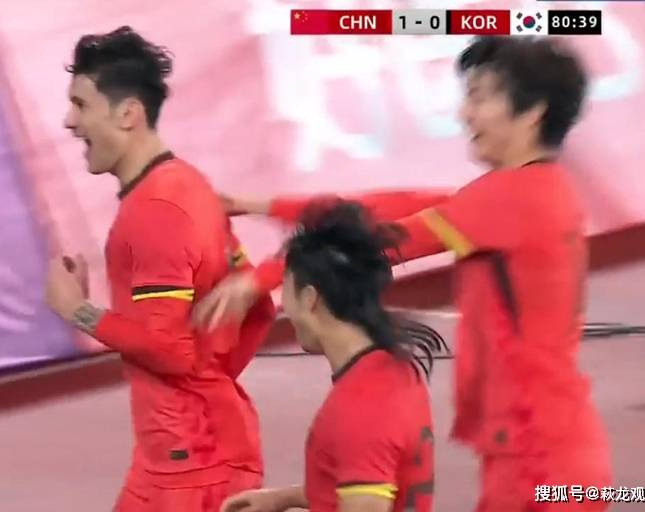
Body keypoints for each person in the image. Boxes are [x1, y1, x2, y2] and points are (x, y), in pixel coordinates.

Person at [198, 36, 612, 511]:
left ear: (533, 112)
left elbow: (363, 244)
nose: (465, 114)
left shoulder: (511, 199)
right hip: (555, 453)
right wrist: (261, 204)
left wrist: (260, 278)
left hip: (538, 464)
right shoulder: (530, 191)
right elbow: (390, 207)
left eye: (480, 98)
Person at [44, 26, 275, 511]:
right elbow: (255, 307)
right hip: (176, 455)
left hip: (192, 467)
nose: (69, 121)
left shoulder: (155, 211)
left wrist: (78, 311)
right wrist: (214, 377)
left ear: (128, 114)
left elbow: (171, 350)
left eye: (81, 105)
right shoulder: (188, 185)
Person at [222, 201, 440, 512]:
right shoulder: (395, 369)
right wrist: (281, 498)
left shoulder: (360, 410)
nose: (287, 310)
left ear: (309, 298)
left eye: (286, 292)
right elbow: (364, 474)